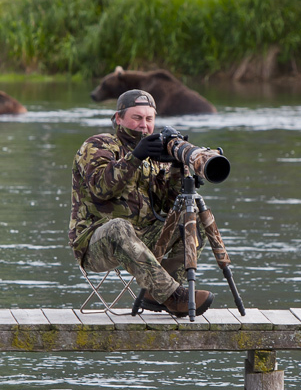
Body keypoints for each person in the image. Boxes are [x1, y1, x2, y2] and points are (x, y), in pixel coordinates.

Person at [69, 89, 214, 316]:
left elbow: (168, 206)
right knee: (119, 227)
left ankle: (155, 294)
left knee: (192, 217)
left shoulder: (156, 153)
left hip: (144, 236)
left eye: (149, 119)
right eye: (137, 118)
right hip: (95, 242)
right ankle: (173, 296)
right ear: (118, 118)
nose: (143, 125)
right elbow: (100, 189)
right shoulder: (98, 145)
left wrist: (179, 172)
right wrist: (135, 157)